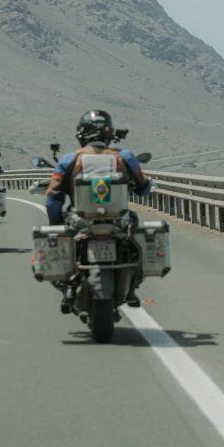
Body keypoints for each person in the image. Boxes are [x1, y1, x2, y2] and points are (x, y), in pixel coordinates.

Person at [45, 110, 151, 308]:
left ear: (81, 134)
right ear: (109, 133)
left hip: (79, 221)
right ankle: (133, 285)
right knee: (136, 234)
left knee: (63, 243)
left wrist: (56, 224)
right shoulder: (124, 156)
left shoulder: (69, 160)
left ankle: (69, 285)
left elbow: (53, 199)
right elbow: (144, 188)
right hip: (118, 221)